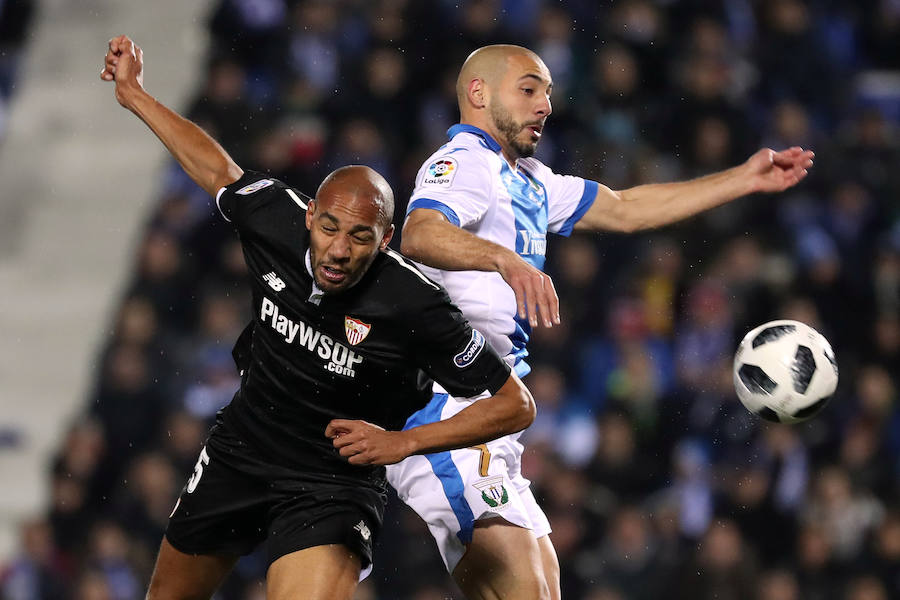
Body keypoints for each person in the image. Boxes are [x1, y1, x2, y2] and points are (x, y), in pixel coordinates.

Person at [100, 35, 536, 600]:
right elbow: (215, 168)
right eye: (329, 228)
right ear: (309, 217)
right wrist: (134, 94)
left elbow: (515, 405)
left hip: (331, 486)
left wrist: (406, 443)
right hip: (242, 449)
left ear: (384, 243)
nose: (338, 250)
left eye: (360, 237)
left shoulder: (415, 303)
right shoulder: (274, 218)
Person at [389, 44, 815, 600]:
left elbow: (625, 208)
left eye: (547, 92)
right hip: (446, 406)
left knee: (541, 587)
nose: (544, 104)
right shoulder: (465, 162)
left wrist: (742, 179)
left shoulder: (531, 181)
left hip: (493, 421)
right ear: (478, 93)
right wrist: (505, 259)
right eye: (528, 89)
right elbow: (419, 232)